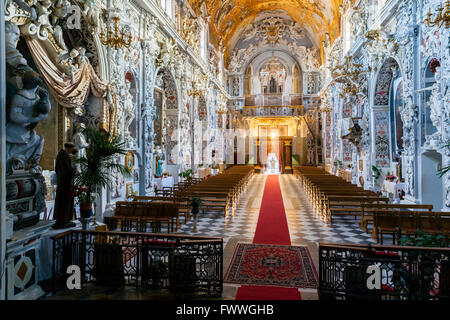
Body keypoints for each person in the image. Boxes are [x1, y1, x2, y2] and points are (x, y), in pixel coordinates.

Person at [53, 142, 76, 229]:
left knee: (62, 201)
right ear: (68, 148)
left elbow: (58, 169)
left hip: (63, 182)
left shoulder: (61, 155)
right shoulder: (64, 155)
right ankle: (63, 220)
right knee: (64, 202)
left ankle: (62, 219)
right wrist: (74, 171)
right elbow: (66, 168)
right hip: (65, 183)